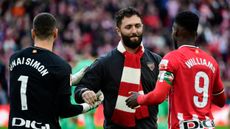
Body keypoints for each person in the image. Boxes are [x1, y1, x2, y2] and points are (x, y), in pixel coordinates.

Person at [126, 11, 226, 129]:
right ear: (195, 34)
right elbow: (221, 101)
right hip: (208, 125)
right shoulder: (211, 62)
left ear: (176, 31)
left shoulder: (172, 58)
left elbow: (159, 96)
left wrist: (138, 98)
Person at [8, 12, 102, 129]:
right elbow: (64, 111)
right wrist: (90, 106)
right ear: (55, 33)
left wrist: (70, 81)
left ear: (33, 33)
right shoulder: (60, 66)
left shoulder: (14, 58)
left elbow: (34, 81)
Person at [74, 7, 161, 129]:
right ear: (118, 31)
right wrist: (85, 92)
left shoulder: (156, 60)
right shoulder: (105, 62)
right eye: (128, 27)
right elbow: (80, 88)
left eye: (137, 26)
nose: (134, 30)